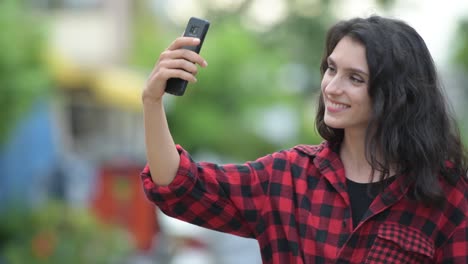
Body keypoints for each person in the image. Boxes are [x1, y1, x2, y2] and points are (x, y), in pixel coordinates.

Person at [140, 15, 468, 263]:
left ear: (396, 94)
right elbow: (179, 188)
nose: (332, 87)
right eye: (331, 69)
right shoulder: (287, 177)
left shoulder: (447, 195)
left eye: (355, 78)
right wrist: (152, 102)